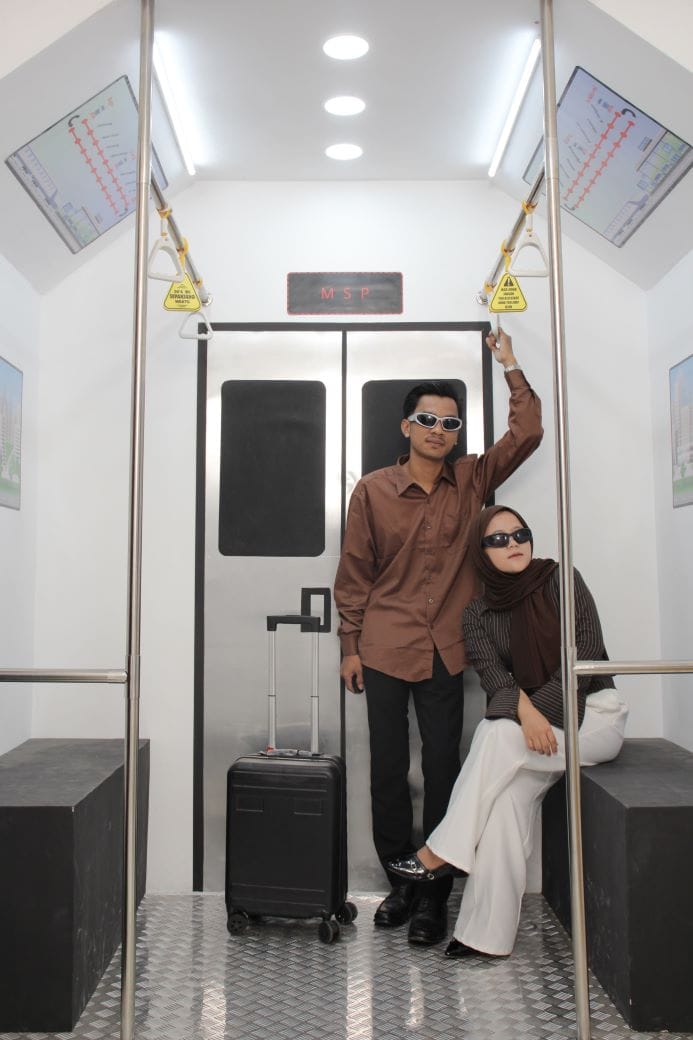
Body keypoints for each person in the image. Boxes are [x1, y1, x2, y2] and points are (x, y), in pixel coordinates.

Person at [333, 330, 543, 946]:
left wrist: (510, 363)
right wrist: (350, 646)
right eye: (427, 419)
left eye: (449, 423)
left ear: (456, 434)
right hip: (384, 647)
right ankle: (398, 884)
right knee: (388, 771)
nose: (438, 430)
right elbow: (355, 572)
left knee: (445, 768)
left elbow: (527, 434)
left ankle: (433, 893)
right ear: (406, 427)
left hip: (448, 650)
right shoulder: (373, 490)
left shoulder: (472, 479)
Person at [387, 505, 628, 958]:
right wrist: (530, 717)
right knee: (504, 805)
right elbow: (496, 679)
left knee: (498, 733)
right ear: (481, 553)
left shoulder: (561, 579)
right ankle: (485, 937)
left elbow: (585, 653)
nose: (513, 544)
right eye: (498, 539)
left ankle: (441, 851)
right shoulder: (477, 614)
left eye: (520, 534)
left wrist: (535, 713)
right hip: (533, 732)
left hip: (593, 718)